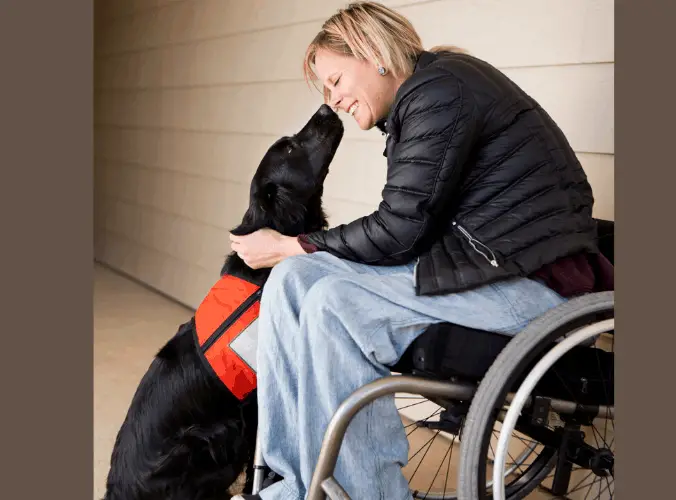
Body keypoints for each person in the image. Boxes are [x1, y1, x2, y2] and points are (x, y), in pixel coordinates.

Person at [229, 2, 613, 499]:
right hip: (483, 272)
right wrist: (297, 258)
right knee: (292, 281)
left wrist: (294, 243)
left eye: (336, 80)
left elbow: (397, 230)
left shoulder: (440, 91)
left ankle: (369, 493)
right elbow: (411, 227)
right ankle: (292, 483)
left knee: (333, 303)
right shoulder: (429, 95)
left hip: (534, 288)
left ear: (372, 54)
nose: (333, 99)